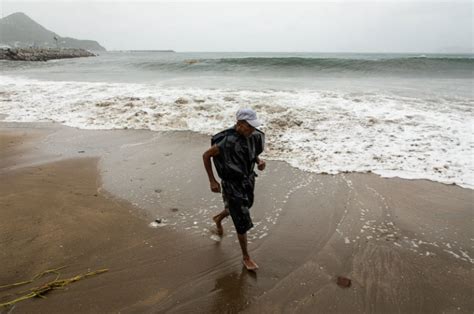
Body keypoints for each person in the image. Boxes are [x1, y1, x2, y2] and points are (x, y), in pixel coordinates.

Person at [202, 108, 266, 271]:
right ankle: (246, 257)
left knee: (245, 206)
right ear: (239, 124)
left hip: (248, 180)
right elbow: (206, 155)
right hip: (231, 184)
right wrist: (212, 180)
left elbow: (251, 152)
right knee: (242, 220)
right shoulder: (225, 141)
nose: (252, 130)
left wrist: (259, 161)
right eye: (249, 126)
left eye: (253, 126)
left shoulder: (253, 136)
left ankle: (218, 218)